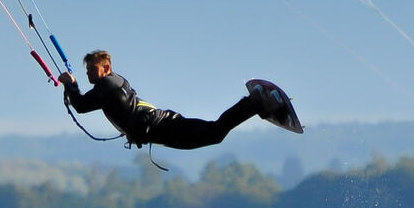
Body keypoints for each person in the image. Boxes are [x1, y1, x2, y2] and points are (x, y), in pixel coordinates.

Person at [58, 50, 296, 150]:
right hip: (162, 127)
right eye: (87, 70)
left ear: (106, 67)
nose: (89, 73)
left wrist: (71, 84)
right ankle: (255, 104)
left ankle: (256, 103)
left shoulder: (107, 84)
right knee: (215, 133)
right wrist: (73, 85)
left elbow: (80, 106)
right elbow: (84, 105)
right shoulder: (107, 86)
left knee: (214, 133)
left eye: (92, 69)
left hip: (163, 126)